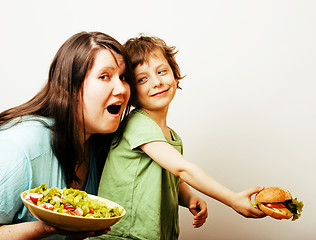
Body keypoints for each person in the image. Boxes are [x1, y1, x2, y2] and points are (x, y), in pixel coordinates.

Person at [95, 35, 266, 240]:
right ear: (130, 91)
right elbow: (182, 169)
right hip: (122, 236)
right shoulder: (137, 124)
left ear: (175, 75)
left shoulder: (171, 136)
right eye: (142, 79)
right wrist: (232, 199)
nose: (157, 82)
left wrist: (189, 197)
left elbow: (173, 179)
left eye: (161, 71)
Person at [0, 31, 133, 240]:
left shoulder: (100, 144)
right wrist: (44, 228)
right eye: (104, 76)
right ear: (70, 87)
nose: (121, 89)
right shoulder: (19, 148)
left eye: (123, 77)